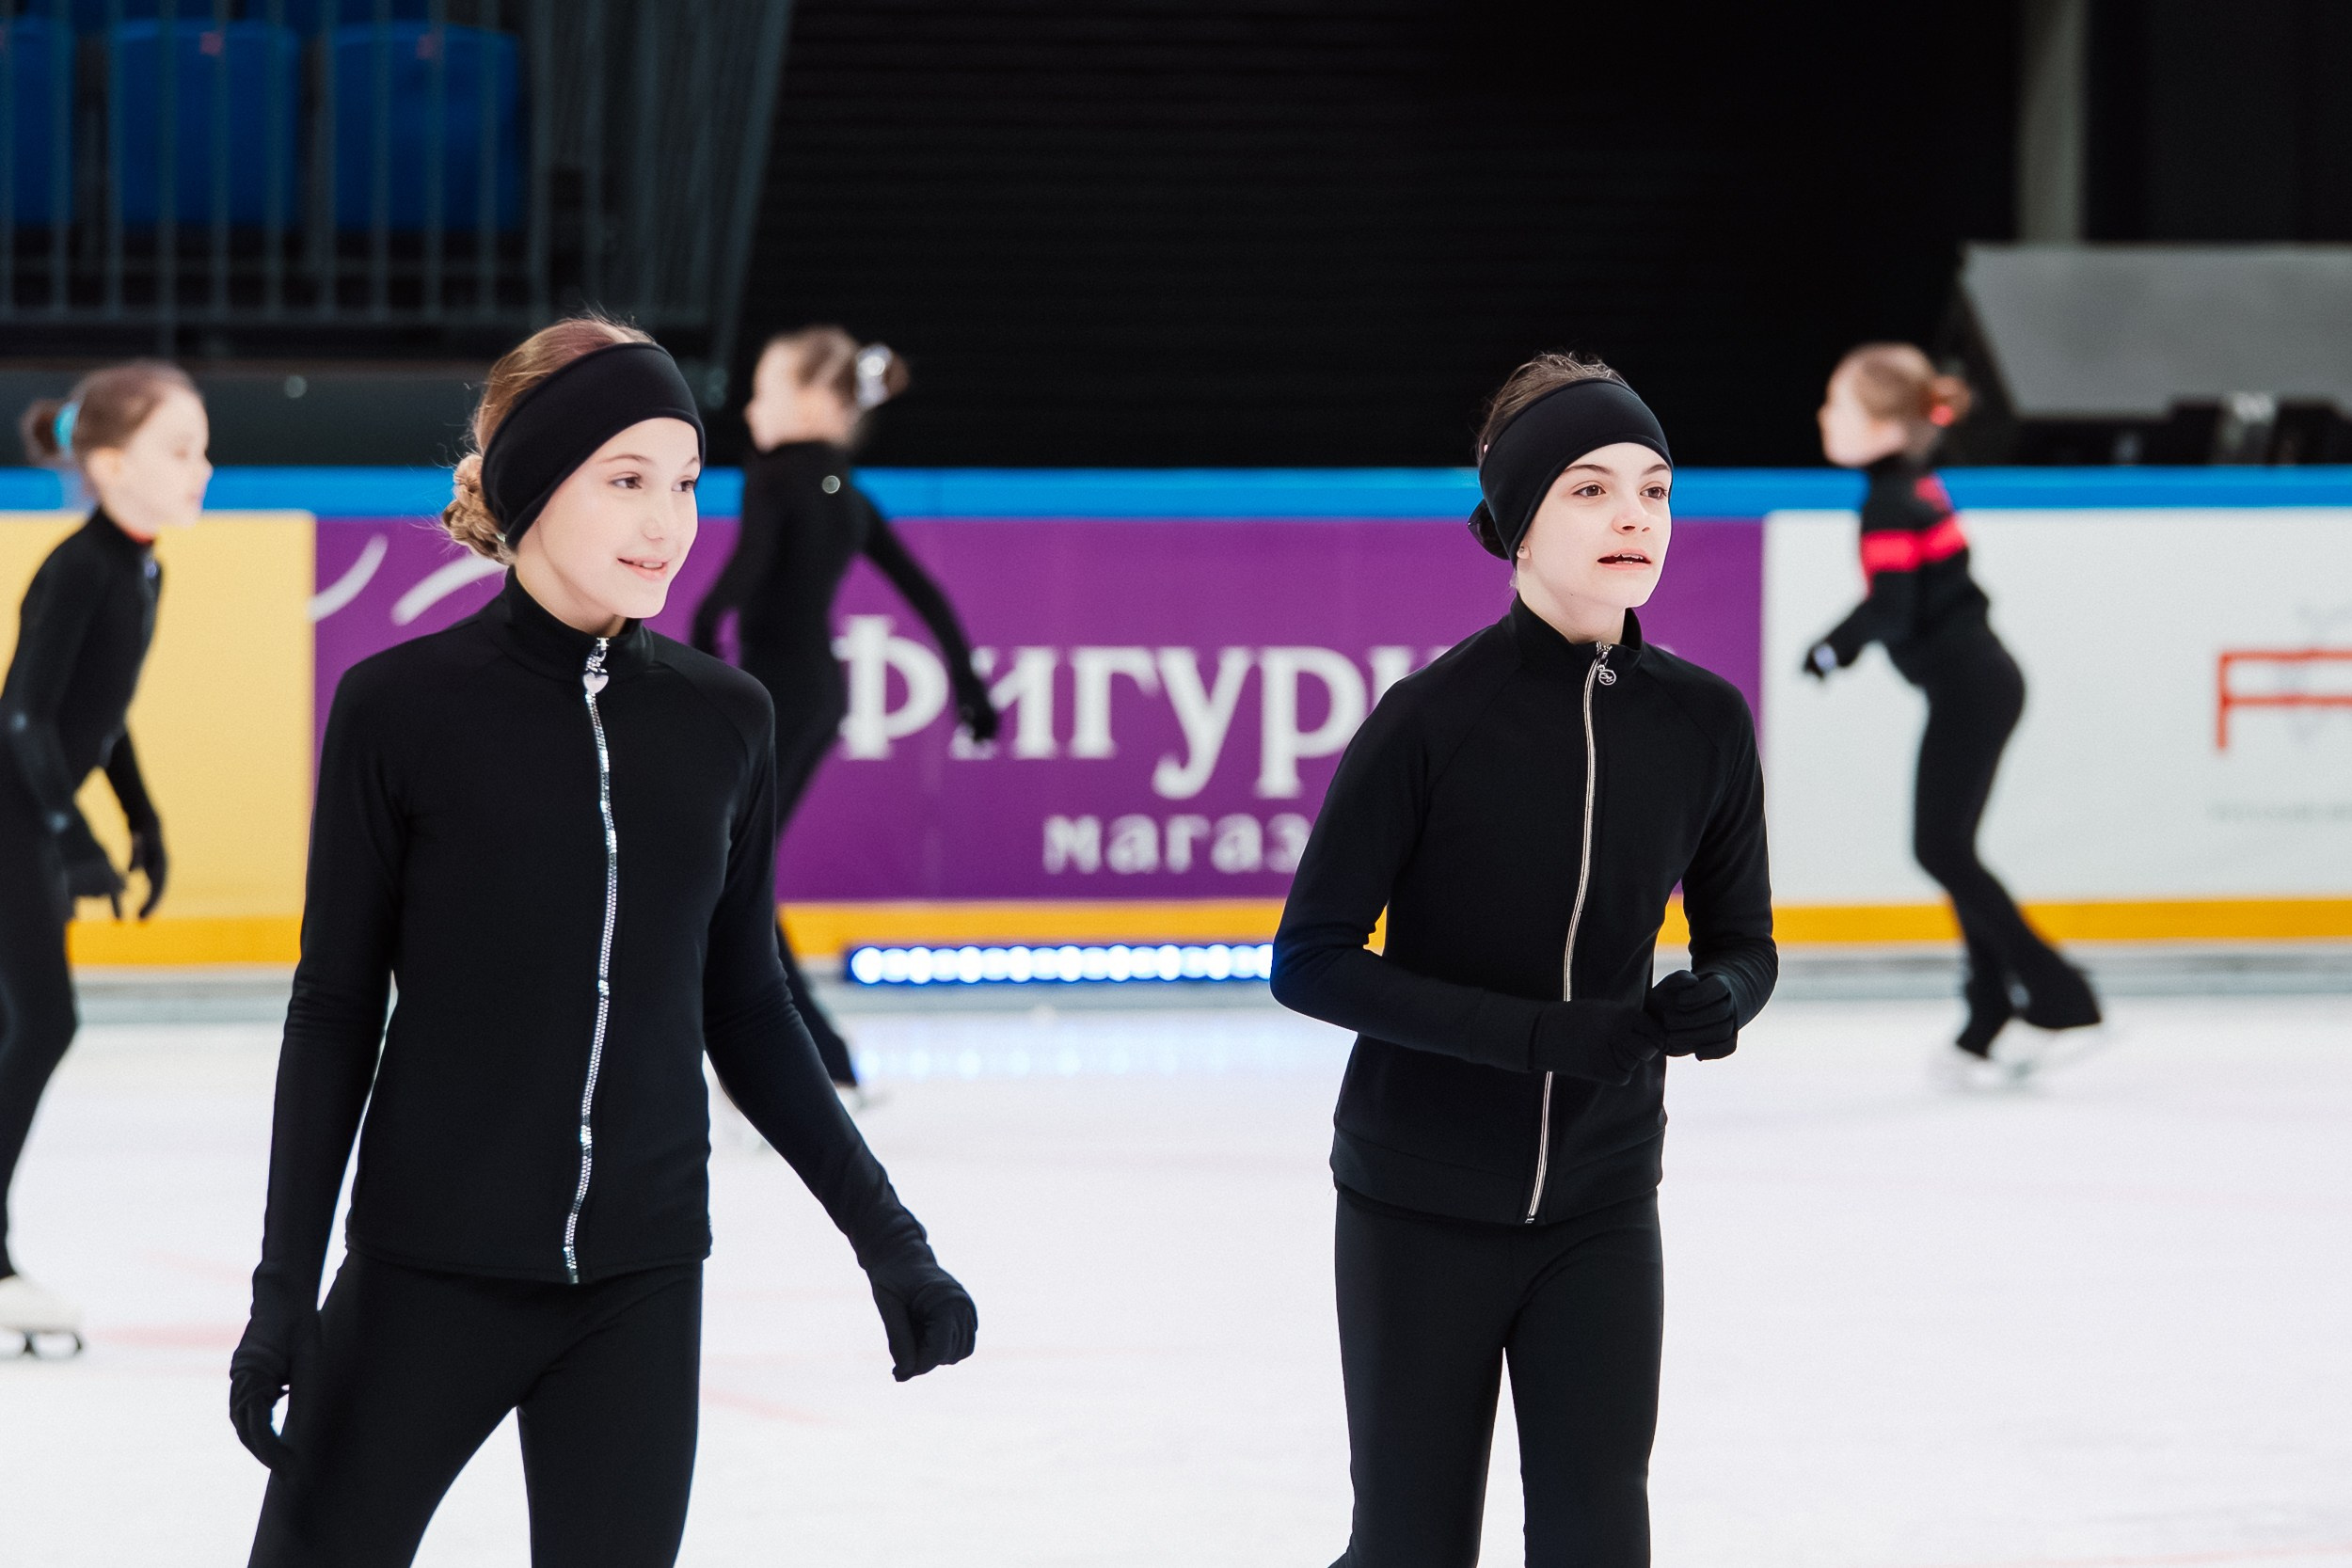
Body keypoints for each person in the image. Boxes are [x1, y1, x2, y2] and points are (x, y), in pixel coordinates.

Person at [230, 317, 977, 1567]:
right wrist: (280, 1291)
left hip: (638, 1280)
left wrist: (889, 1239)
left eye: (684, 481)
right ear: (531, 489)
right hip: (427, 1271)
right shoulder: (400, 710)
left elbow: (744, 1008)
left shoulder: (725, 720)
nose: (668, 522)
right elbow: (336, 1005)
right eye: (625, 479)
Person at [1272, 353, 1776, 1567]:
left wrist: (1723, 998)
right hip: (1415, 1200)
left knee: (1602, 1539)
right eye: (1590, 490)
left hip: (1603, 1202)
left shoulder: (1705, 721)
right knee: (1409, 1545)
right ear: (1516, 521)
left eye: (1654, 490)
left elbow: (1744, 940)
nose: (1634, 519)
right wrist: (1547, 1037)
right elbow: (1312, 959)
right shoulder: (1430, 718)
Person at [691, 328, 998, 1092]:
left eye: (765, 391)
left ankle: (811, 1063)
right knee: (736, 876)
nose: (752, 408)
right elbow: (926, 594)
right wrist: (970, 685)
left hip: (776, 697)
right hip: (815, 695)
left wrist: (696, 652)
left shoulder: (777, 480)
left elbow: (739, 579)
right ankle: (817, 1062)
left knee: (733, 876)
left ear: (814, 404)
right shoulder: (845, 490)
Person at [1803, 343, 2101, 1078]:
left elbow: (1894, 610)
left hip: (1974, 688)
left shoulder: (1889, 502)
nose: (1823, 418)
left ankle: (2061, 996)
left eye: (1840, 406)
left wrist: (1832, 648)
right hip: (1979, 683)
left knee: (1942, 849)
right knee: (1948, 847)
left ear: (1884, 427)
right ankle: (1990, 1008)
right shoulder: (1913, 486)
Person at [0, 363, 208, 1355]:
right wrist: (72, 835)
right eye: (180, 450)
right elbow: (26, 715)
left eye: (203, 448)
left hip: (31, 819)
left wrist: (144, 822)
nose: (201, 467)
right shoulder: (80, 567)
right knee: (42, 1019)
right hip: (11, 815)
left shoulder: (144, 566)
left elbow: (103, 718)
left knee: (32, 1022)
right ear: (113, 462)